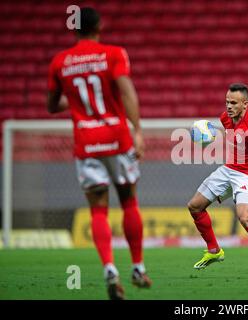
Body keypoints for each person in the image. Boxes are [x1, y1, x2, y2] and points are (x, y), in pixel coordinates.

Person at [47, 7, 151, 300]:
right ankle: (138, 267)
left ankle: (108, 268)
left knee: (98, 210)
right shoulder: (114, 54)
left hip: (86, 142)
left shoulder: (60, 62)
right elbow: (127, 91)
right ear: (99, 26)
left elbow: (52, 106)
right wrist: (138, 130)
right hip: (117, 139)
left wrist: (78, 103)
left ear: (74, 29)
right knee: (129, 202)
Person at [187, 83, 248, 280]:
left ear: (245, 105)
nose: (229, 106)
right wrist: (212, 134)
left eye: (233, 103)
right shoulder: (225, 118)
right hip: (229, 169)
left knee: (244, 217)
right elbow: (232, 135)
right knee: (195, 206)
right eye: (227, 102)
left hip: (247, 174)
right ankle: (214, 250)